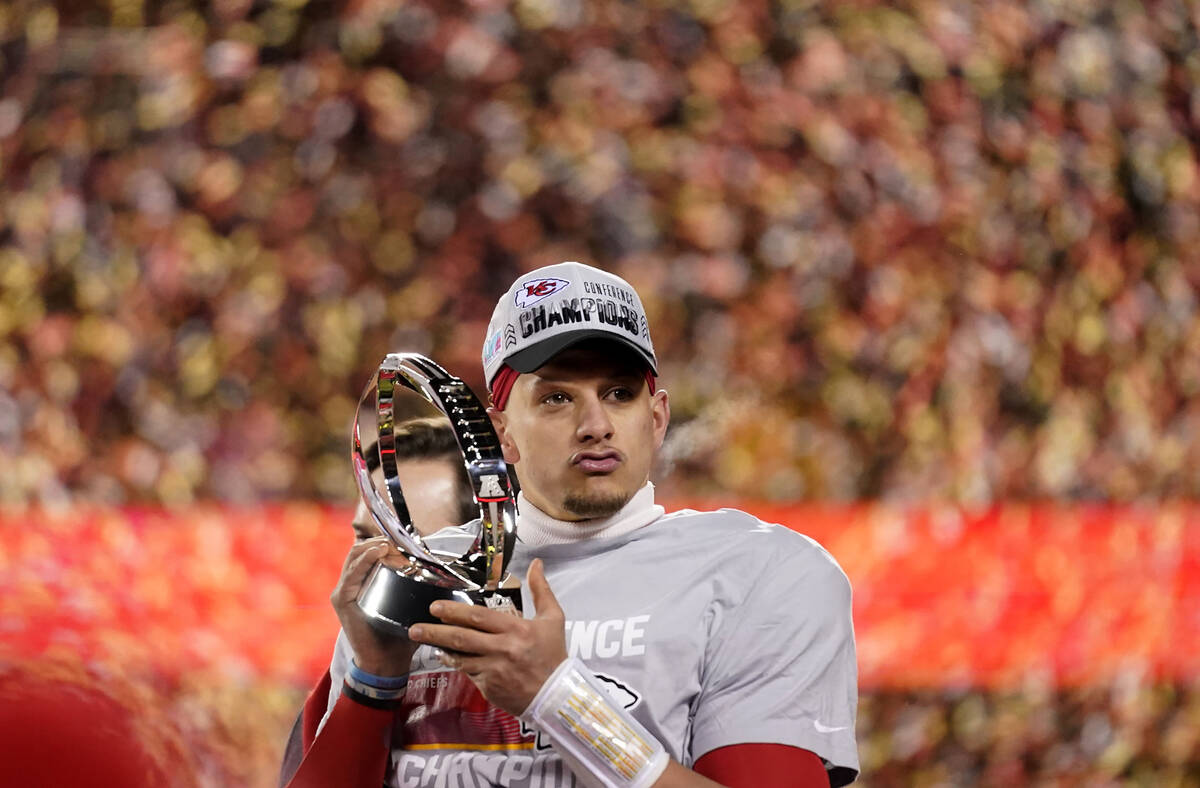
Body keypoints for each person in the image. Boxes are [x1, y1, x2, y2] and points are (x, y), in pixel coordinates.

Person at [287, 262, 859, 787]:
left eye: (618, 394)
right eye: (557, 397)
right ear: (500, 432)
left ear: (656, 417)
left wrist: (557, 699)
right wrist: (373, 681)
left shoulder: (760, 573)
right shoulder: (422, 571)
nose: (595, 425)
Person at [278, 417, 482, 787]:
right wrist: (372, 681)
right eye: (365, 539)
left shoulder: (542, 663)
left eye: (408, 542)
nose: (377, 563)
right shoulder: (341, 683)